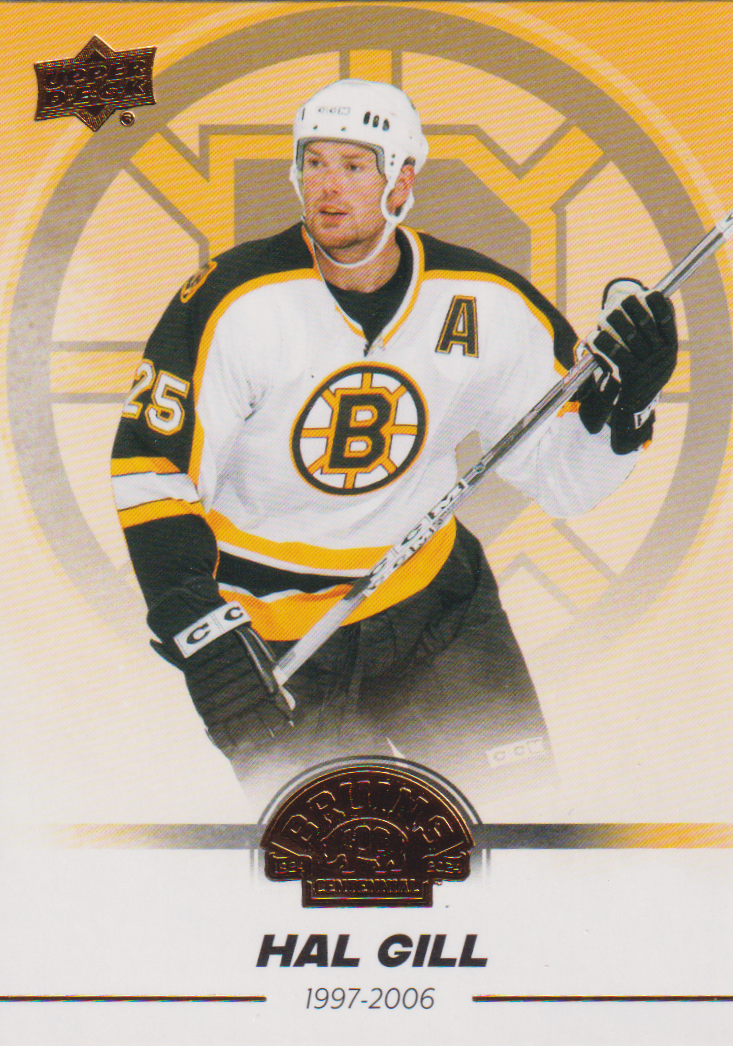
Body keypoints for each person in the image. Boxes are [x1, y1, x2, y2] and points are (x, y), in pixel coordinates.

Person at [111, 79, 677, 800]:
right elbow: (152, 470)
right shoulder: (234, 299)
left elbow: (564, 481)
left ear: (402, 180)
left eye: (354, 165)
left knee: (522, 816)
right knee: (337, 849)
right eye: (314, 162)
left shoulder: (485, 300)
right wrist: (196, 621)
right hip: (273, 634)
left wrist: (630, 405)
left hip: (431, 607)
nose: (328, 185)